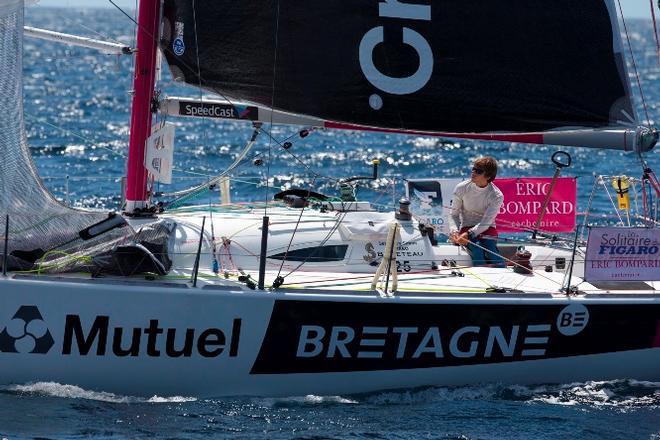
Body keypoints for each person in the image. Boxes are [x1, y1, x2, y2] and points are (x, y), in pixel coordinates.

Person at [448, 157, 506, 268]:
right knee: (477, 250)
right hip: (466, 227)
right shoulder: (461, 188)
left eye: (478, 171)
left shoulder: (497, 195)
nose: (473, 173)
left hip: (487, 229)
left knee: (491, 251)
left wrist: (469, 234)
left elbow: (486, 222)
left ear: (488, 177)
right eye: (473, 169)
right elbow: (453, 214)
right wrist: (454, 231)